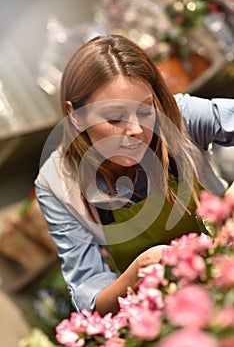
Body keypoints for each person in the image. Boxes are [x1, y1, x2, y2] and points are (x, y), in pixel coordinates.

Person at [35, 34, 234, 316]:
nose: (136, 131)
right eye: (115, 118)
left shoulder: (181, 117)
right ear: (75, 116)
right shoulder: (56, 185)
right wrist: (136, 273)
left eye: (145, 109)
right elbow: (90, 296)